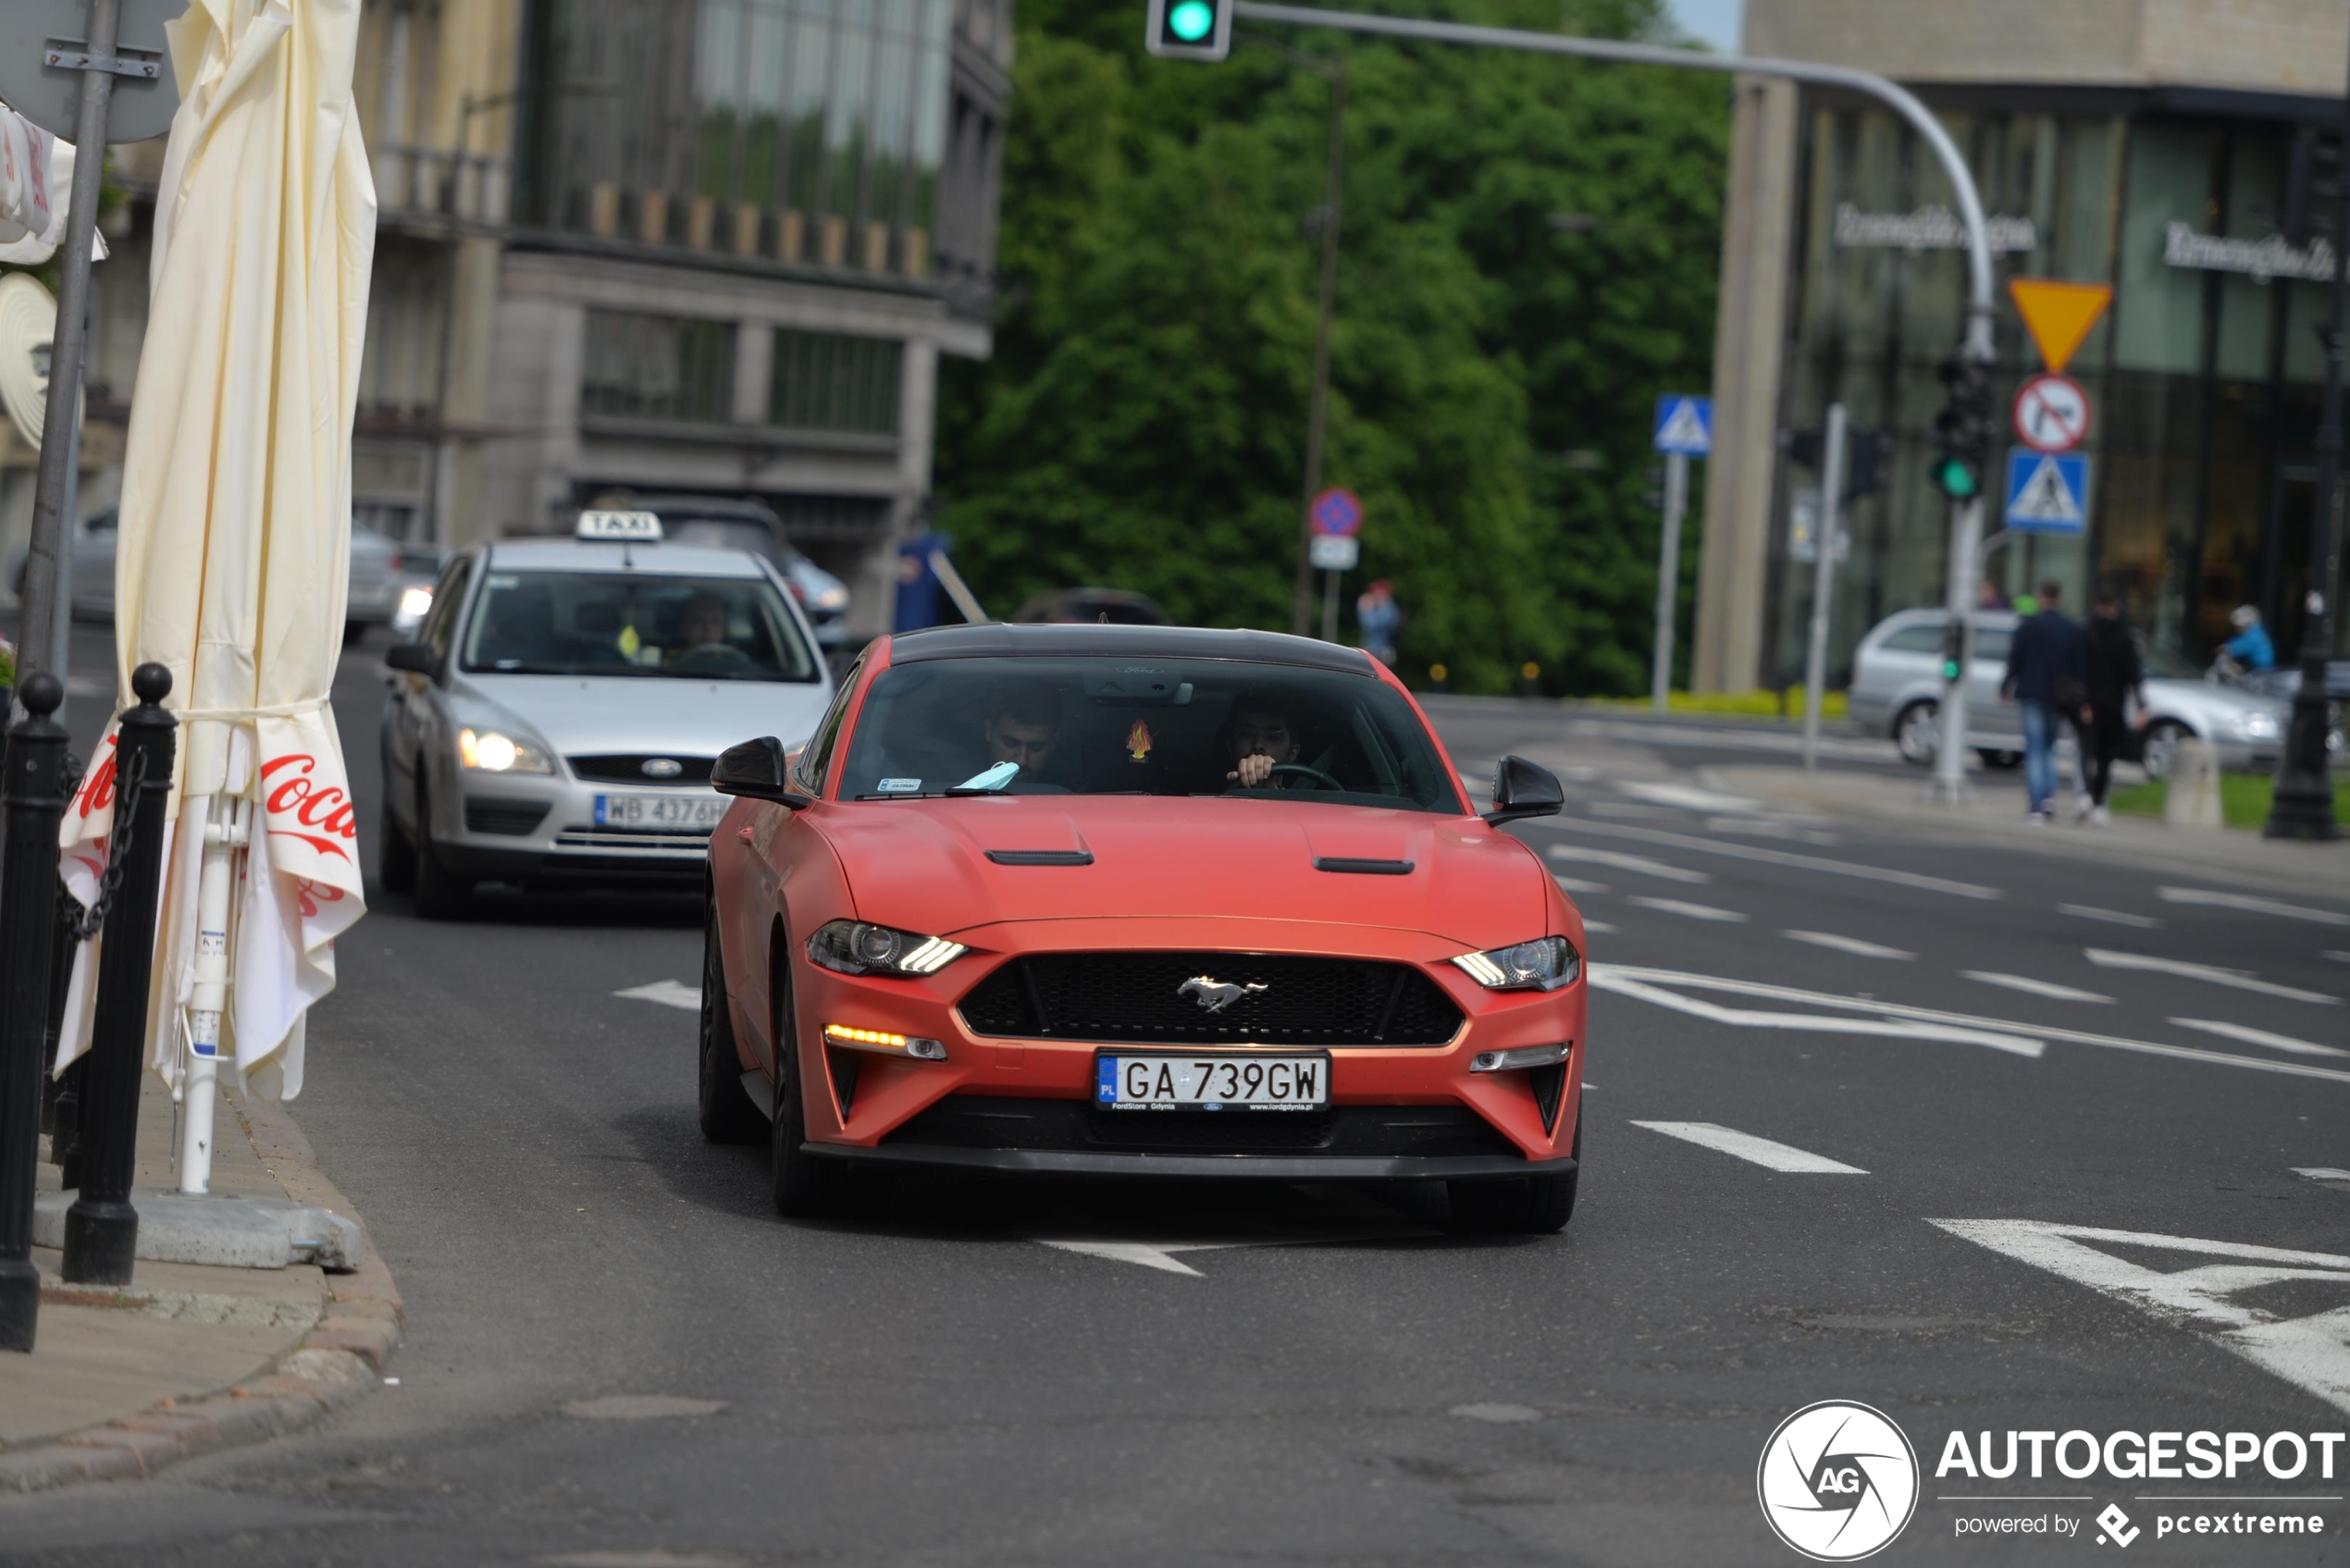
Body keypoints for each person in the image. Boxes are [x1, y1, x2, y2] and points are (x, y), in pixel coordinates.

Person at [2000, 579, 2086, 824]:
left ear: (2041, 597)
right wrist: (2080, 700)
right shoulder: (2071, 629)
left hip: (2031, 694)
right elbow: (2078, 667)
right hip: (2058, 697)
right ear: (2059, 598)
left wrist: (2006, 686)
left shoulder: (2027, 626)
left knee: (2035, 749)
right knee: (2049, 748)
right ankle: (2049, 799)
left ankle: (2036, 806)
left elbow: (2014, 660)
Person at [2074, 586, 2146, 825]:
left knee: (2086, 750)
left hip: (2090, 703)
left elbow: (2079, 670)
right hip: (2115, 704)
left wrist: (2082, 701)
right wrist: (2141, 705)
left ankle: (2085, 793)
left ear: (2096, 605)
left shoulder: (2086, 633)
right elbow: (2134, 674)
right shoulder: (2125, 637)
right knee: (2106, 756)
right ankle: (2099, 802)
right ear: (2117, 607)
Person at [982, 681, 1061, 783]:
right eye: (1010, 744)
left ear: (1053, 742)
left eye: (1036, 748)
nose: (1021, 761)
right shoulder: (958, 782)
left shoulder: (1074, 788)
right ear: (989, 730)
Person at [1224, 693, 1306, 788]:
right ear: (1230, 747)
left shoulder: (1308, 801)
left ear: (1292, 753)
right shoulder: (1207, 798)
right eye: (1246, 734)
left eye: (1272, 737)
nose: (1258, 745)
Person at [1356, 580, 1402, 667]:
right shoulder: (1375, 607)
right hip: (1370, 650)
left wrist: (1367, 610)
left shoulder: (1390, 608)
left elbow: (1373, 625)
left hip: (1383, 652)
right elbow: (1365, 625)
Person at [2221, 604, 2275, 673]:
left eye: (2238, 626)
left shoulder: (2253, 635)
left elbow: (2233, 648)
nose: (2236, 629)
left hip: (2259, 671)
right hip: (2257, 669)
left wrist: (2225, 648)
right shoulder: (2256, 631)